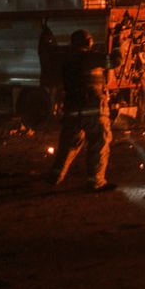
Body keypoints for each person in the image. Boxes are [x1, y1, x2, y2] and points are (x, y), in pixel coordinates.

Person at [46, 29, 117, 192]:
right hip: (93, 110)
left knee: (69, 145)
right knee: (99, 142)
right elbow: (115, 61)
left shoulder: (67, 60)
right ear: (88, 42)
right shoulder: (91, 58)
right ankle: (96, 181)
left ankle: (55, 176)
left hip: (72, 109)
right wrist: (119, 43)